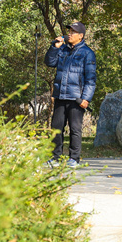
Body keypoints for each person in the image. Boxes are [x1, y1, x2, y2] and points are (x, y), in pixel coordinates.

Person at [44, 21, 97, 167]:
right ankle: (55, 158)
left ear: (81, 36)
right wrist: (54, 47)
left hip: (76, 98)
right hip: (60, 95)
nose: (70, 34)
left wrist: (86, 98)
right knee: (56, 128)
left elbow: (91, 79)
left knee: (75, 129)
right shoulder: (63, 50)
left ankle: (74, 158)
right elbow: (49, 62)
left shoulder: (87, 53)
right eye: (69, 31)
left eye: (73, 32)